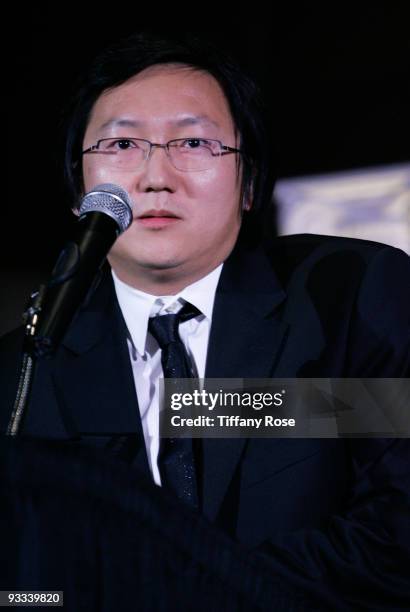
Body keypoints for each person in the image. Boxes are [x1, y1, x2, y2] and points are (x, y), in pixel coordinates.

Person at [0, 31, 409, 609]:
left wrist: (183, 592)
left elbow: (395, 536)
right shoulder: (24, 369)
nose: (154, 177)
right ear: (78, 187)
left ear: (249, 182)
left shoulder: (347, 298)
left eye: (193, 142)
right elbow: (25, 588)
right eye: (120, 146)